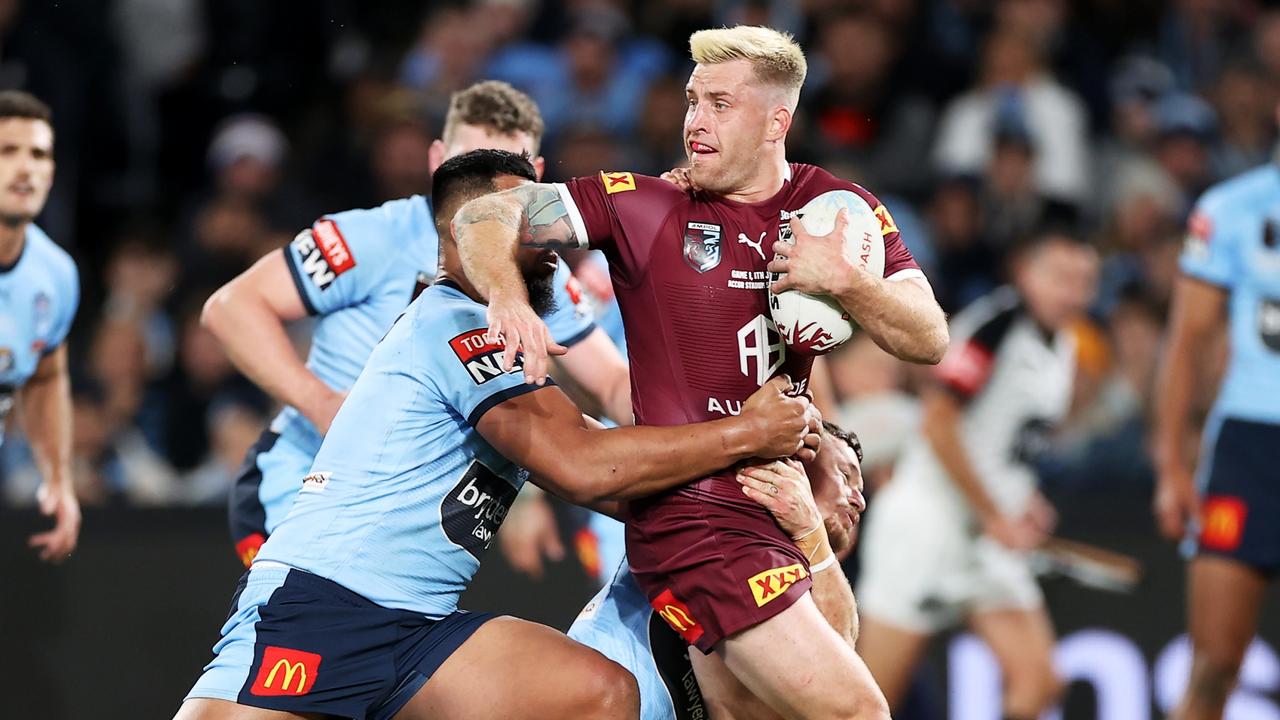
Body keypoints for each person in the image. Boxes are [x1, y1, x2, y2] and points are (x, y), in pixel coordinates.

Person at [177, 149, 818, 720]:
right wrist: (745, 434)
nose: (549, 238)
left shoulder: (508, 349)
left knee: (598, 695)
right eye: (523, 220)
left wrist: (765, 492)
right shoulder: (452, 324)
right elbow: (584, 467)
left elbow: (616, 476)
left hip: (420, 629)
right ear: (463, 237)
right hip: (324, 605)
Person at [452, 25, 948, 720]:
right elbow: (485, 215)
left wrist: (846, 282)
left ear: (778, 121)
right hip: (697, 523)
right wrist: (509, 298)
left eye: (719, 104)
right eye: (692, 100)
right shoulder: (642, 206)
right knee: (857, 712)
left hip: (773, 508)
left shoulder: (837, 211)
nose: (694, 121)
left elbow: (929, 337)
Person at [202, 81, 632, 566]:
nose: (485, 191)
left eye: (507, 170)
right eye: (469, 165)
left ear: (535, 176)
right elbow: (232, 306)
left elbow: (612, 380)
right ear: (436, 162)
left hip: (411, 510)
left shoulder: (542, 270)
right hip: (307, 486)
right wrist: (325, 407)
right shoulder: (374, 237)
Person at [855, 233, 1099, 719]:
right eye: (1059, 278)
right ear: (1027, 274)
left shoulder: (1066, 345)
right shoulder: (998, 327)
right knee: (867, 704)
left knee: (1039, 683)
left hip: (985, 539)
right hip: (927, 526)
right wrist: (994, 513)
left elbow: (1006, 443)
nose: (1071, 293)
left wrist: (1022, 497)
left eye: (1083, 282)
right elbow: (939, 422)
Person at [569, 422, 867, 720]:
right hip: (592, 696)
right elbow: (583, 449)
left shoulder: (809, 568)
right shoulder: (709, 502)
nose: (860, 500)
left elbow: (828, 691)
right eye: (845, 474)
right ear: (796, 462)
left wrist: (812, 536)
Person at [1154, 148, 1280, 720]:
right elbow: (1187, 343)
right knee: (1215, 664)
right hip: (1248, 450)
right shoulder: (1232, 208)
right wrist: (1171, 467)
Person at [0, 90, 80, 563]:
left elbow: (46, 378)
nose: (26, 167)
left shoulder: (56, 275)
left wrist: (57, 480)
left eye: (39, 154)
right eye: (7, 151)